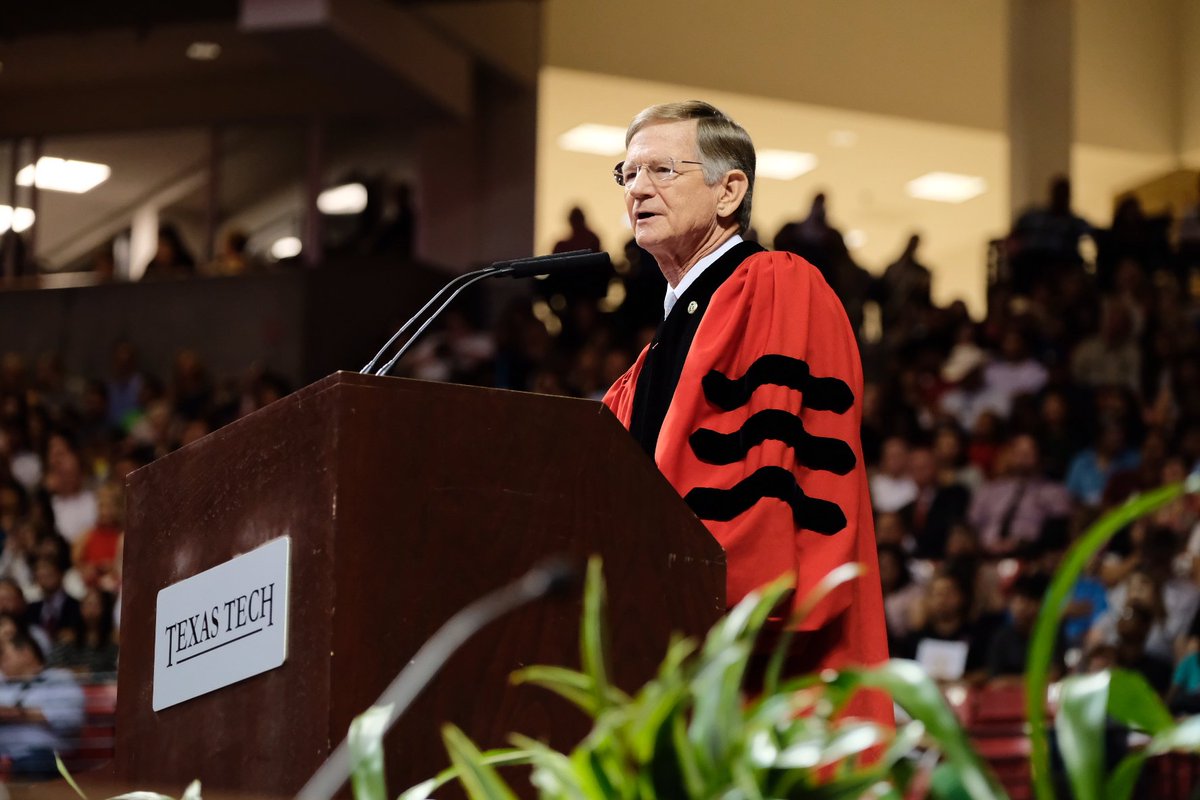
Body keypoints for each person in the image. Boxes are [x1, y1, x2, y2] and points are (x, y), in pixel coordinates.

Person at [600, 101, 888, 723]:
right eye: (627, 174)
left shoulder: (777, 287)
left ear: (729, 190)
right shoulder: (647, 366)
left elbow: (756, 488)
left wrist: (685, 600)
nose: (638, 189)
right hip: (669, 654)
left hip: (759, 658)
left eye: (661, 171)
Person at [0, 629, 85, 779]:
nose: (1, 662)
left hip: (40, 754)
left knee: (33, 764)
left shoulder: (59, 679)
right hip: (4, 752)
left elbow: (72, 719)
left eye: (4, 655)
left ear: (25, 653)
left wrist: (20, 714)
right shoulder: (2, 683)